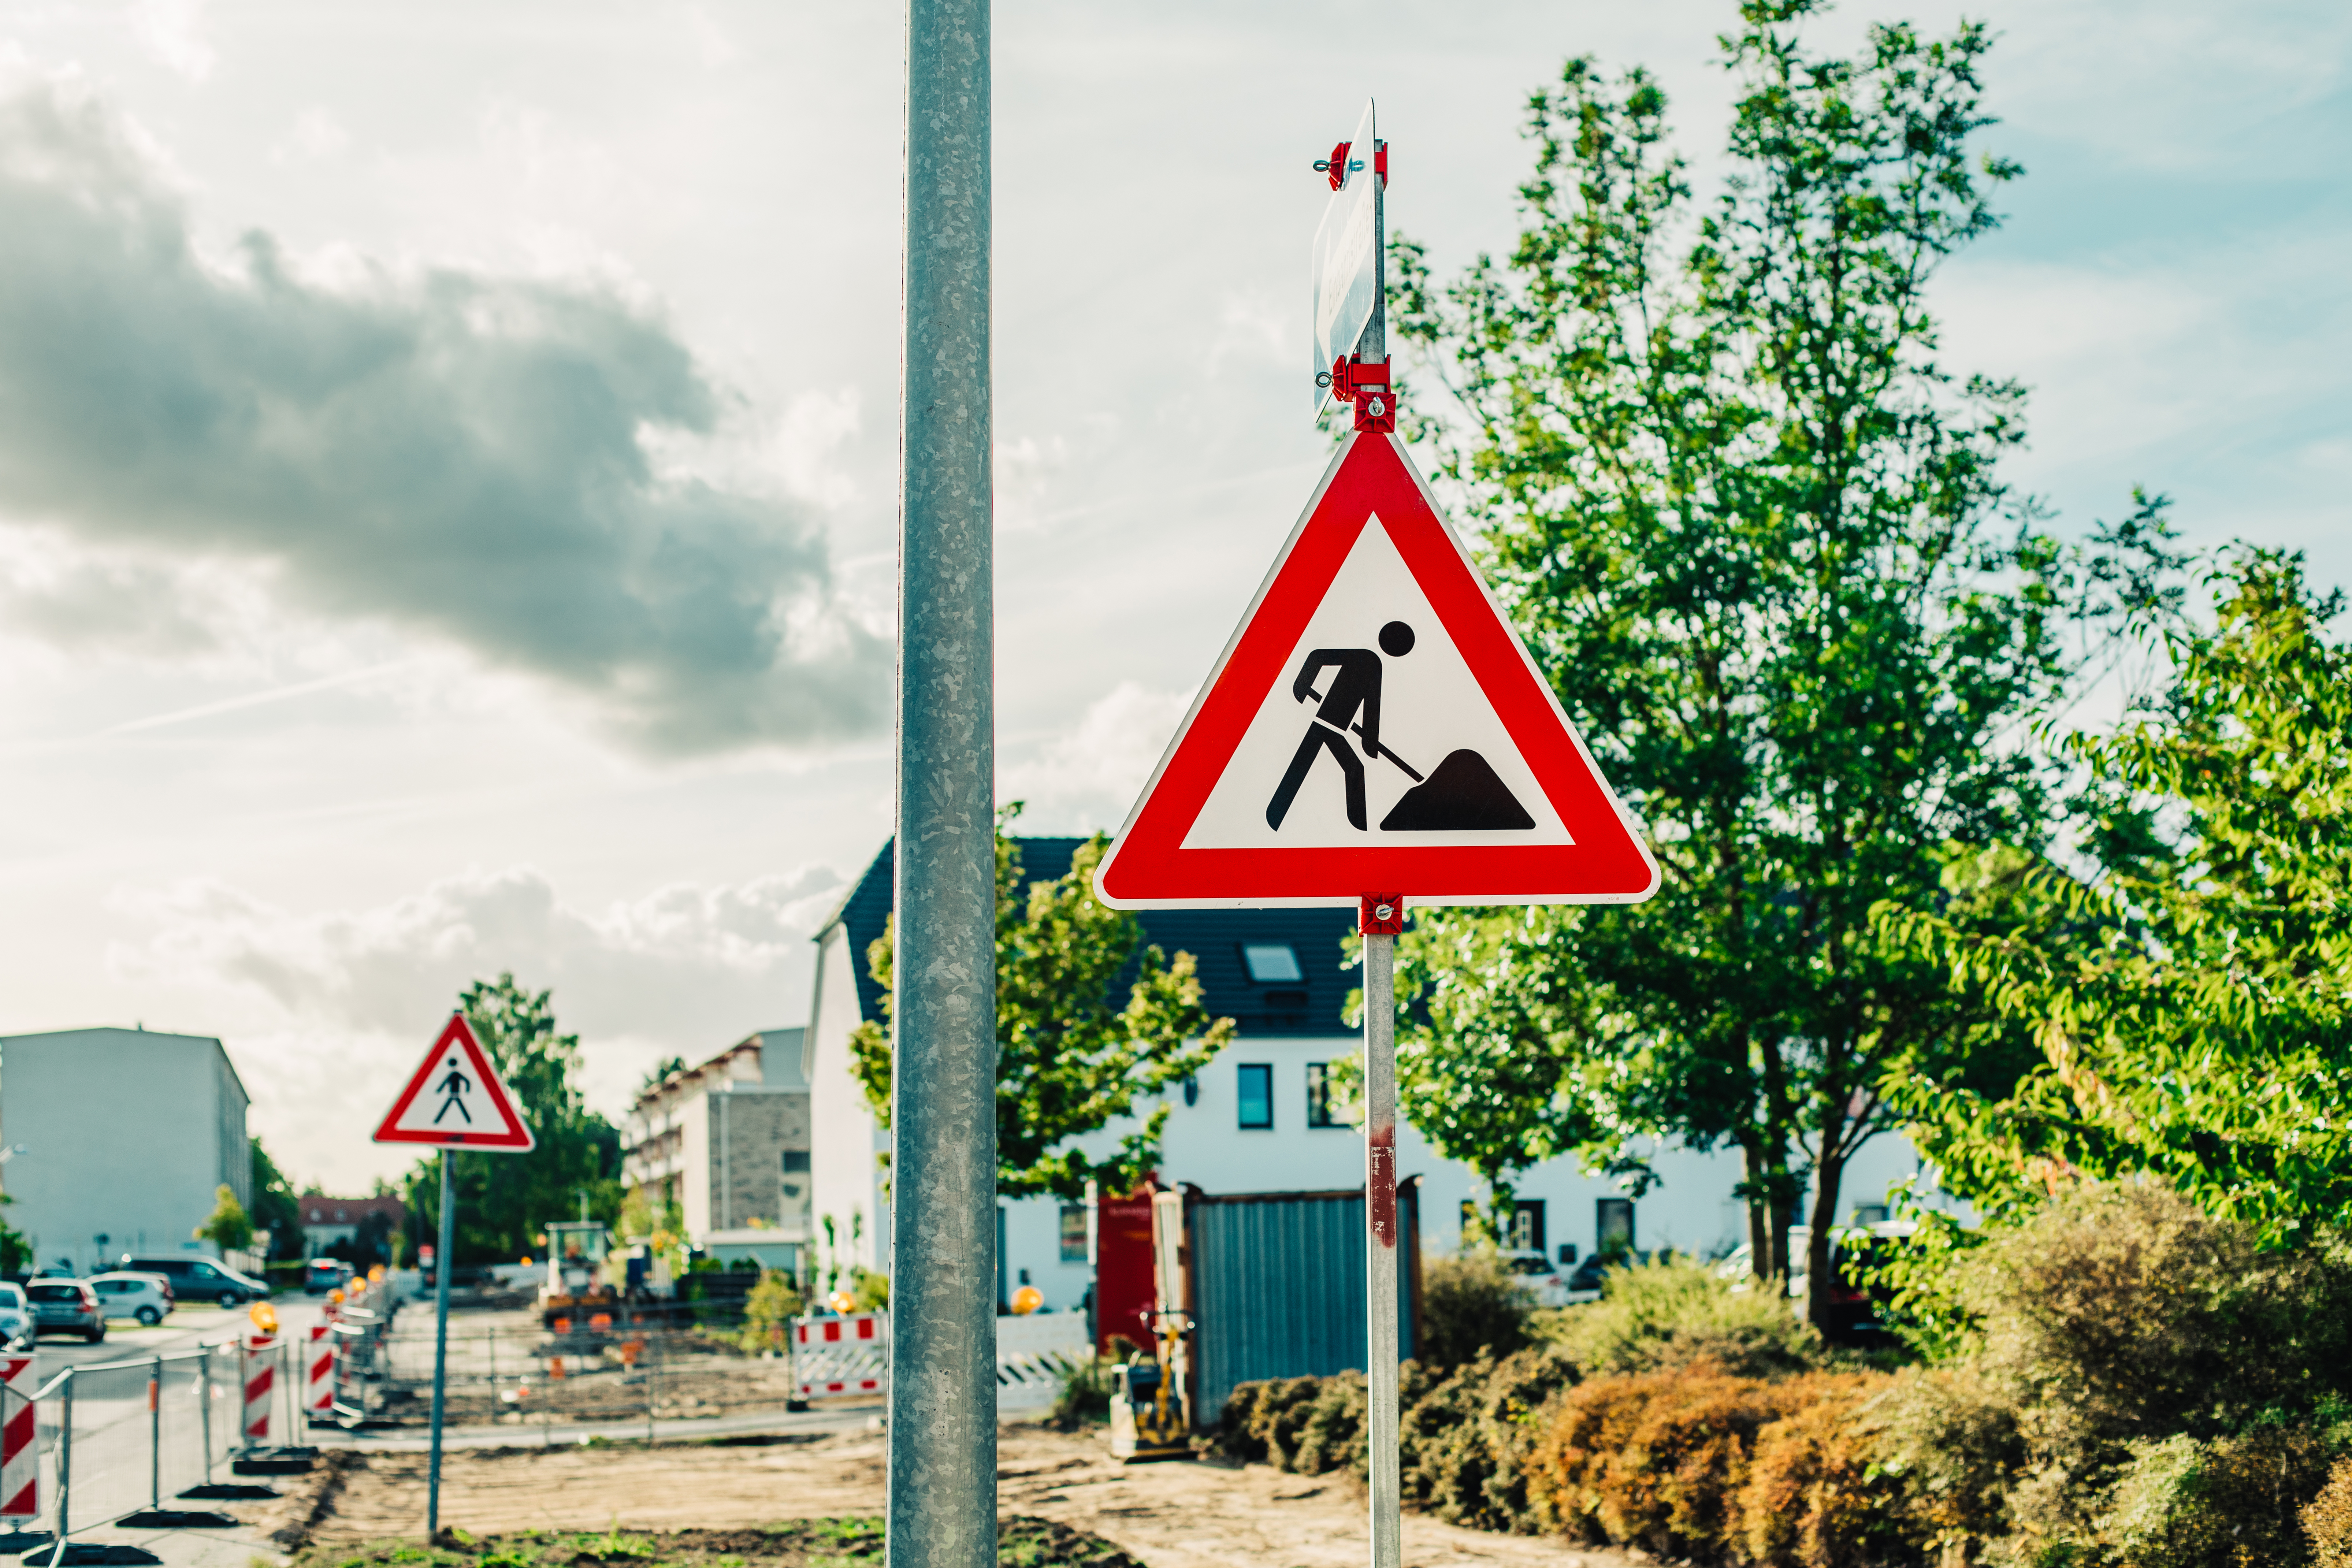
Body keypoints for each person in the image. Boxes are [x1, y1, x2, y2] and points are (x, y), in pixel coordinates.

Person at [1266, 620, 1414, 831]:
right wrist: (1302, 686)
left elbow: (1371, 708)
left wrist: (1369, 742)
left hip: (1333, 727)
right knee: (1348, 768)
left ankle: (1274, 816)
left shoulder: (1371, 662)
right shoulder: (1369, 660)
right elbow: (1318, 656)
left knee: (1321, 765)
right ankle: (1359, 828)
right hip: (1326, 723)